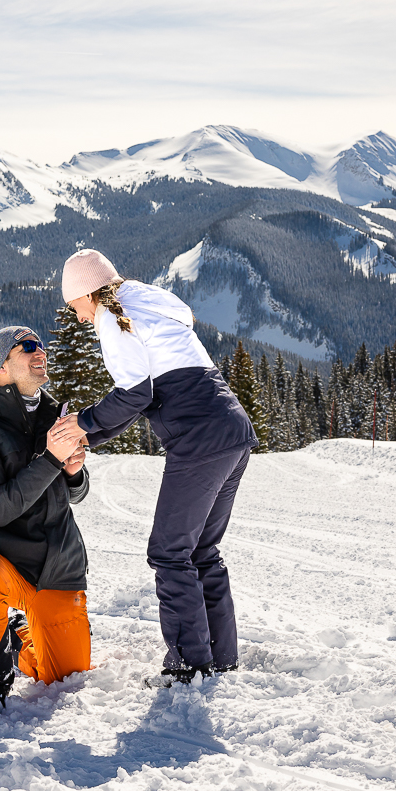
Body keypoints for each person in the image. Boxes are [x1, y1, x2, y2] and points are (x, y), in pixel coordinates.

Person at [56, 249, 257, 683]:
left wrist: (81, 424)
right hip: (232, 429)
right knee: (201, 550)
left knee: (169, 553)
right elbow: (143, 395)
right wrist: (90, 435)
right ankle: (220, 658)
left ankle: (189, 665)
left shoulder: (113, 317)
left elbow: (133, 394)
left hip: (199, 439)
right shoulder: (146, 303)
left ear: (86, 294)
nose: (77, 319)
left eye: (74, 307)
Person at [0, 325, 91, 708]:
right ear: (2, 367)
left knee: (62, 680)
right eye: (26, 347)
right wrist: (51, 460)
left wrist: (74, 472)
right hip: (1, 558)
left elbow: (76, 492)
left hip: (57, 560)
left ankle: (21, 635)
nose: (39, 351)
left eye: (40, 344)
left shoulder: (53, 413)